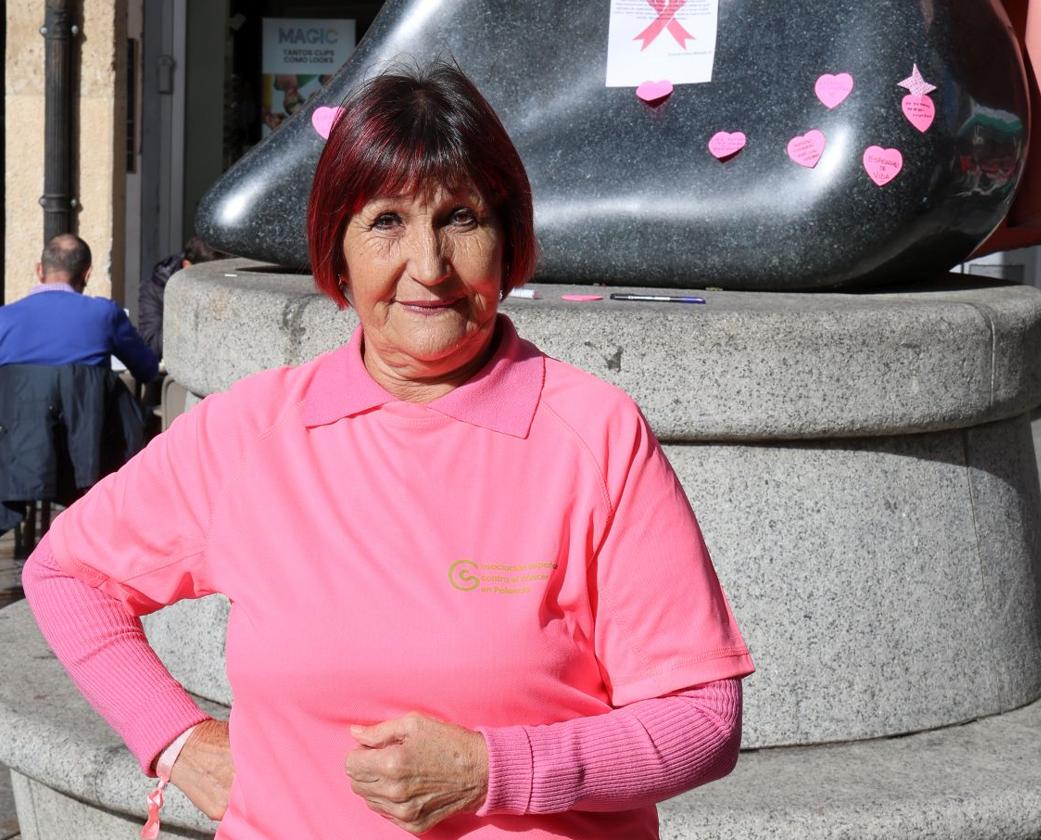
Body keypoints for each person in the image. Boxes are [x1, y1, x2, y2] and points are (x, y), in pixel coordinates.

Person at [22, 62, 754, 839]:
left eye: (461, 218)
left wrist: (495, 769)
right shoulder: (255, 432)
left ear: (509, 242)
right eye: (385, 222)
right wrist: (179, 742)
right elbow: (69, 573)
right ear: (335, 254)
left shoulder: (596, 436)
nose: (430, 267)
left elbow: (702, 720)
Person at [0, 233, 158, 384]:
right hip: (89, 412)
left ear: (39, 270)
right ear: (87, 274)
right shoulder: (105, 314)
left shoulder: (3, 319)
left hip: (16, 412)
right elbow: (148, 370)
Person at [139, 235, 225, 359]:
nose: (214, 284)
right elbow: (151, 348)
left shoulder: (228, 285)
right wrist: (185, 307)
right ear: (187, 266)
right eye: (208, 276)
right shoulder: (157, 287)